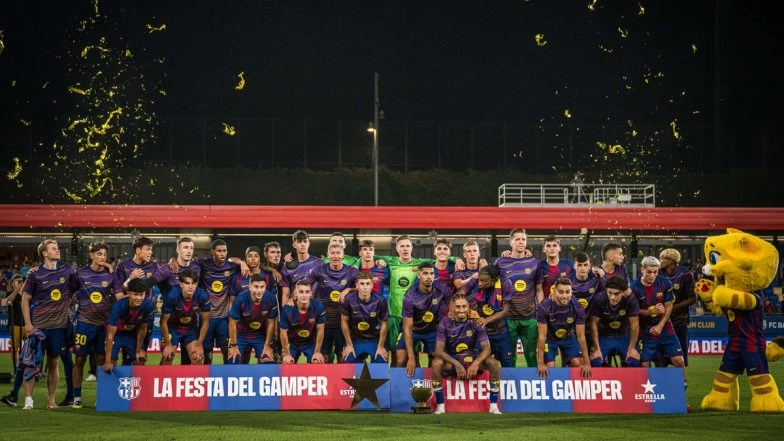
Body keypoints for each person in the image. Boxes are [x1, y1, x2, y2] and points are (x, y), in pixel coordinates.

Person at [20, 239, 76, 409]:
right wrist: (28, 324)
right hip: (39, 327)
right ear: (45, 253)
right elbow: (25, 299)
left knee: (53, 362)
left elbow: (79, 283)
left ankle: (51, 400)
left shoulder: (67, 270)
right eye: (53, 248)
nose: (57, 250)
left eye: (58, 248)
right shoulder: (34, 273)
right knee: (31, 362)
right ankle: (28, 400)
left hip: (59, 327)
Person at [70, 242, 122, 408]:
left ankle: (102, 397)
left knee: (102, 360)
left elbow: (120, 296)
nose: (102, 257)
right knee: (79, 359)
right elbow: (69, 292)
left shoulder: (111, 275)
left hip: (103, 325)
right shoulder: (80, 274)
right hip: (84, 324)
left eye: (104, 254)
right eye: (99, 254)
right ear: (91, 255)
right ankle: (76, 397)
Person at [431, 294, 502, 415]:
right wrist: (456, 363)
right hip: (453, 359)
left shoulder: (476, 321)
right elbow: (438, 350)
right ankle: (440, 405)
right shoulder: (445, 322)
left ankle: (493, 406)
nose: (461, 310)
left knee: (493, 363)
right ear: (452, 308)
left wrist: (476, 363)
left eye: (464, 306)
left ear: (468, 307)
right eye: (458, 307)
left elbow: (487, 348)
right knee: (436, 363)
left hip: (472, 358)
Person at [493, 228, 543, 367]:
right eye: (517, 239)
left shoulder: (534, 263)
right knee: (509, 358)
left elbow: (539, 290)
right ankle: (509, 387)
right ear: (511, 242)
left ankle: (534, 386)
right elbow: (488, 279)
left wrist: (541, 312)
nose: (521, 242)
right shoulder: (500, 262)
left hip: (530, 319)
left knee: (532, 357)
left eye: (523, 239)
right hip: (508, 319)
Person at [631, 256, 686, 382]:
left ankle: (682, 395)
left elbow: (669, 306)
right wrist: (652, 312)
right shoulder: (634, 287)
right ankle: (644, 396)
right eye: (649, 272)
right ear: (642, 270)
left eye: (655, 272)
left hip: (665, 327)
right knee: (644, 364)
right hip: (645, 330)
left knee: (679, 360)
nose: (652, 275)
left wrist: (660, 326)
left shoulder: (665, 283)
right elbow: (634, 312)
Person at [305, 243, 359, 362]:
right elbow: (305, 283)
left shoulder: (351, 272)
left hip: (343, 321)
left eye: (338, 253)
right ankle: (327, 378)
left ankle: (340, 380)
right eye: (332, 253)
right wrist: (298, 296)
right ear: (328, 255)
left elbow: (364, 287)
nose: (335, 256)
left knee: (343, 356)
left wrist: (349, 289)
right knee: (322, 357)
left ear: (343, 255)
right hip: (324, 321)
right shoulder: (320, 269)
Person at [396, 261, 450, 376]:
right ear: (418, 275)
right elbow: (407, 329)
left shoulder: (442, 290)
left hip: (432, 331)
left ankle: (432, 384)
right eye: (425, 273)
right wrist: (411, 358)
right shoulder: (410, 296)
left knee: (441, 363)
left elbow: (452, 309)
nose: (429, 276)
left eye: (431, 273)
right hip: (413, 331)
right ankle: (400, 388)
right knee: (401, 359)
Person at [198, 239, 247, 364]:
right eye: (219, 251)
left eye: (224, 251)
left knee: (226, 349)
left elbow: (252, 265)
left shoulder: (231, 267)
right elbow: (187, 263)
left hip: (224, 317)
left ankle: (227, 372)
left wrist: (241, 262)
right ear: (212, 252)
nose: (222, 254)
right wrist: (173, 260)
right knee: (207, 350)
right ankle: (207, 374)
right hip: (207, 317)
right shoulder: (204, 264)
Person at [456, 265, 513, 367]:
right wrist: (466, 308)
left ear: (494, 280)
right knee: (479, 361)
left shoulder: (505, 283)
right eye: (479, 280)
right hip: (482, 333)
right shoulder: (477, 280)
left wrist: (486, 320)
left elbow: (505, 311)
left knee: (507, 361)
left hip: (501, 331)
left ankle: (508, 382)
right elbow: (459, 295)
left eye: (484, 281)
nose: (480, 283)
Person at [536, 278, 592, 379]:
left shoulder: (577, 307)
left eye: (567, 292)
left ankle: (566, 369)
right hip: (550, 338)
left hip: (568, 336)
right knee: (550, 367)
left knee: (578, 363)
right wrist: (540, 362)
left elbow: (581, 336)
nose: (565, 296)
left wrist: (587, 362)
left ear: (572, 292)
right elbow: (542, 336)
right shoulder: (544, 307)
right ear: (554, 292)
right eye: (561, 292)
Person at [114, 236, 158, 365]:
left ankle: (137, 383)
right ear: (138, 250)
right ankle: (122, 383)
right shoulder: (123, 266)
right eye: (148, 249)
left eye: (151, 249)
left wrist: (173, 261)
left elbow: (165, 274)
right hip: (128, 317)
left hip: (145, 316)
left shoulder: (153, 266)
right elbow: (118, 290)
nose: (151, 252)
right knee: (126, 356)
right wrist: (130, 279)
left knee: (140, 356)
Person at [159, 269, 210, 365]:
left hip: (190, 329)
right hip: (172, 328)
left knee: (197, 357)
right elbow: (163, 322)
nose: (190, 286)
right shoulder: (172, 296)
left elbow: (206, 322)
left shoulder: (203, 296)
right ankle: (162, 378)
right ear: (181, 284)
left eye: (193, 283)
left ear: (196, 284)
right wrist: (168, 344)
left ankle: (194, 379)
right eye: (187, 283)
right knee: (167, 357)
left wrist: (199, 344)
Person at [588, 277, 641, 367]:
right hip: (604, 335)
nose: (612, 297)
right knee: (595, 361)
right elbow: (593, 323)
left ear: (624, 293)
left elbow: (635, 325)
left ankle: (626, 380)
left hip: (624, 335)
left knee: (634, 361)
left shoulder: (630, 299)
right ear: (606, 290)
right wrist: (597, 348)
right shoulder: (599, 298)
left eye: (616, 294)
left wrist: (631, 348)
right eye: (610, 293)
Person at [103, 279, 155, 372]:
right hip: (117, 335)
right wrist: (107, 361)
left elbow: (143, 328)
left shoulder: (148, 305)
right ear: (129, 293)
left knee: (139, 359)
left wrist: (139, 350)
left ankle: (133, 385)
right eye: (135, 294)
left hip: (132, 334)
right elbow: (110, 335)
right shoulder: (118, 306)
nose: (139, 298)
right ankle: (113, 385)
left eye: (141, 294)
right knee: (111, 362)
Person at [228, 273, 277, 364]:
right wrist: (234, 345)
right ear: (250, 287)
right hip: (241, 334)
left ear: (265, 287)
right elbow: (232, 322)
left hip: (259, 335)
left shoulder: (271, 298)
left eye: (262, 287)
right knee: (233, 361)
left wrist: (267, 346)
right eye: (256, 287)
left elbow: (271, 323)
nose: (259, 290)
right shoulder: (240, 298)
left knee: (269, 363)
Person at [340, 272, 389, 363]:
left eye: (368, 284)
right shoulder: (349, 299)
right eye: (362, 284)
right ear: (357, 286)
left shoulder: (380, 300)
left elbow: (384, 323)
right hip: (355, 339)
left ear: (372, 285)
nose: (365, 287)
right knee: (348, 361)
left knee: (381, 361)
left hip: (374, 339)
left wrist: (381, 346)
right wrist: (349, 344)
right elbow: (344, 321)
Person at [659, 248, 696, 366]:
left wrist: (672, 308)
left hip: (680, 320)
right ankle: (660, 383)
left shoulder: (686, 274)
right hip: (662, 320)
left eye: (662, 258)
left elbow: (693, 298)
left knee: (681, 357)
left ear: (670, 261)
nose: (660, 261)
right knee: (661, 358)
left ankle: (681, 383)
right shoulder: (658, 273)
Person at [279, 280, 326, 364]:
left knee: (317, 361)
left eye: (307, 292)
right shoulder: (287, 309)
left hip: (310, 343)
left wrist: (317, 352)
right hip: (292, 344)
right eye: (301, 292)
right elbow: (283, 333)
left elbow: (320, 330)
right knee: (287, 363)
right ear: (296, 293)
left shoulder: (318, 307)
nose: (304, 295)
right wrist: (286, 354)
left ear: (311, 294)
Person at [0, 274, 26, 408]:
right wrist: (16, 291)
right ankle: (16, 370)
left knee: (29, 348)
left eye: (21, 281)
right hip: (15, 324)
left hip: (26, 325)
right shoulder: (12, 293)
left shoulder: (26, 293)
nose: (20, 283)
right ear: (13, 283)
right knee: (15, 349)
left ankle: (30, 371)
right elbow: (4, 303)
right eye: (17, 281)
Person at [280, 230, 323, 305]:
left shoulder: (319, 263)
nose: (302, 244)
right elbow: (286, 294)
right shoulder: (286, 267)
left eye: (305, 241)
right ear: (294, 244)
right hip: (296, 307)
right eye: (299, 241)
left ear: (309, 243)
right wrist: (285, 313)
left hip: (315, 307)